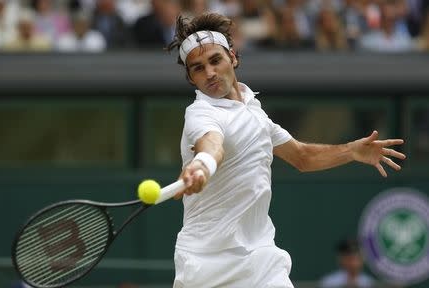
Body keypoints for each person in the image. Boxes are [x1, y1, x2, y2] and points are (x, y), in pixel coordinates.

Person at [166, 12, 406, 288]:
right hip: (206, 265)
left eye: (215, 60)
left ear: (233, 57)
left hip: (261, 259)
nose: (209, 72)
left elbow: (302, 156)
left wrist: (350, 151)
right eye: (197, 68)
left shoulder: (255, 113)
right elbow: (211, 146)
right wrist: (202, 166)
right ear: (191, 78)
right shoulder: (201, 114)